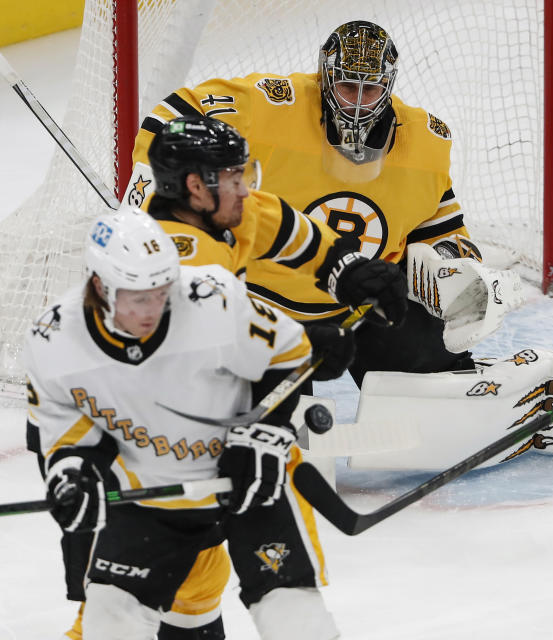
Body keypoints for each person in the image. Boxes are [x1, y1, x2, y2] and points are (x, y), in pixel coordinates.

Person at [48, 115, 407, 640]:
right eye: (233, 178)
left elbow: (288, 229)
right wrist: (306, 346)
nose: (245, 188)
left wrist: (348, 268)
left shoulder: (225, 214)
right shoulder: (174, 258)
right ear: (196, 188)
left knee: (194, 591)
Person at [22, 207, 346, 640]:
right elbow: (65, 437)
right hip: (145, 497)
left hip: (250, 479)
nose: (155, 306)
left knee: (292, 616)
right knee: (110, 621)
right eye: (139, 296)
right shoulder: (54, 341)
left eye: (162, 290)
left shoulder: (211, 297)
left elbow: (289, 357)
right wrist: (71, 474)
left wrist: (261, 432)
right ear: (100, 286)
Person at [129, 19, 495, 386]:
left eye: (371, 89)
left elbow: (439, 225)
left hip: (360, 301)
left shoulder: (425, 141)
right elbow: (176, 113)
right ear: (325, 75)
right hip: (258, 310)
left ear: (389, 84)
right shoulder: (271, 104)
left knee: (430, 355)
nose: (357, 102)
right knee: (263, 421)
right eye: (348, 85)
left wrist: (455, 268)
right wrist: (153, 185)